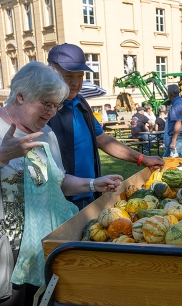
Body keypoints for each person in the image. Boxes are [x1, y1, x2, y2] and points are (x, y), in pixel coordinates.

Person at [0, 61, 123, 306]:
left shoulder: (45, 133)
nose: (52, 112)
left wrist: (92, 183)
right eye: (46, 104)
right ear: (20, 96)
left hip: (43, 248)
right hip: (3, 252)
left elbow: (55, 181)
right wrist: (0, 156)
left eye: (56, 105)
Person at [47, 43, 163, 209]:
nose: (75, 82)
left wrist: (142, 159)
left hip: (91, 193)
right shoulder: (46, 110)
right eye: (68, 76)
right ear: (51, 72)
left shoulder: (81, 103)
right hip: (61, 201)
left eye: (80, 76)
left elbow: (103, 139)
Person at [163, 84, 182, 157]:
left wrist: (173, 141)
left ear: (170, 93)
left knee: (167, 159)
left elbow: (178, 123)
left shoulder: (176, 105)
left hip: (179, 136)